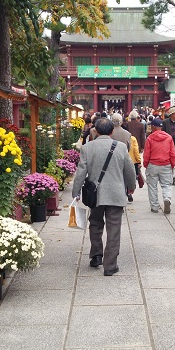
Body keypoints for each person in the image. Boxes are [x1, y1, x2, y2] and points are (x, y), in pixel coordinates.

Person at [72, 118, 136, 276]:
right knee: (114, 229)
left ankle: (96, 255)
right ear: (112, 131)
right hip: (116, 193)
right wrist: (131, 186)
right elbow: (129, 170)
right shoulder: (121, 147)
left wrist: (76, 192)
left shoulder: (87, 148)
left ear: (96, 131)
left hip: (95, 195)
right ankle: (110, 265)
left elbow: (81, 172)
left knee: (95, 224)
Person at [143, 117, 175, 214]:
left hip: (153, 164)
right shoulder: (169, 137)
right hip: (166, 164)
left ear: (153, 126)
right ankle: (167, 199)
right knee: (166, 185)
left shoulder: (150, 138)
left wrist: (146, 164)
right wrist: (172, 164)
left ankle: (154, 206)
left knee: (152, 186)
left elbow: (146, 153)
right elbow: (173, 153)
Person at [127, 134, 142, 202]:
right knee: (131, 177)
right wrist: (138, 160)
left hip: (120, 160)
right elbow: (135, 150)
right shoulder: (132, 138)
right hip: (132, 161)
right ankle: (130, 192)